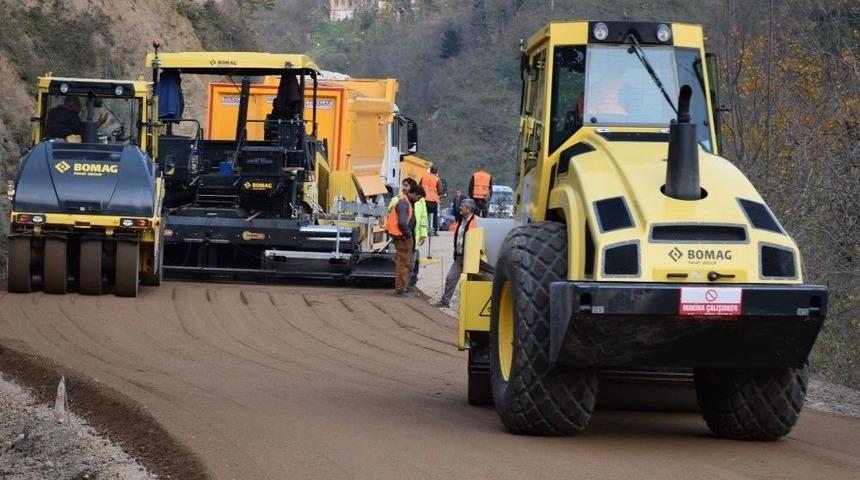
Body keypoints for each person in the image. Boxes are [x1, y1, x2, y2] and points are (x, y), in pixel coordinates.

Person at [433, 198, 478, 309]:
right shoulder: (462, 220)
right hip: (459, 257)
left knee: (471, 284)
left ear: (469, 208)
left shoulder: (477, 221)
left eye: (462, 206)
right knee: (450, 278)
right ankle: (445, 302)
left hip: (471, 258)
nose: (460, 208)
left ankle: (470, 308)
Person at [386, 182, 416, 297]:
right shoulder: (403, 202)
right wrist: (408, 234)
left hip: (401, 235)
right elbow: (402, 222)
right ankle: (401, 289)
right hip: (402, 236)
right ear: (413, 193)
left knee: (404, 263)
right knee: (403, 264)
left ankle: (402, 287)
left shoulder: (404, 201)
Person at [407, 186, 428, 293]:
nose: (420, 198)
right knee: (405, 261)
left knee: (412, 261)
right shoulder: (402, 200)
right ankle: (404, 285)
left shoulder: (421, 202)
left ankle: (409, 284)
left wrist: (423, 234)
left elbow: (423, 218)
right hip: (405, 235)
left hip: (414, 236)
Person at [419, 166, 443, 236]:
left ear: (430, 170)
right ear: (436, 172)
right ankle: (434, 230)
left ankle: (422, 230)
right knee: (434, 216)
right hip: (433, 201)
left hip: (424, 199)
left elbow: (419, 186)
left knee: (423, 215)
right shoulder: (437, 179)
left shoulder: (424, 177)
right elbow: (440, 191)